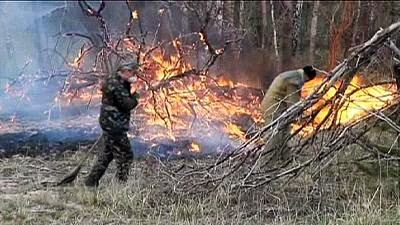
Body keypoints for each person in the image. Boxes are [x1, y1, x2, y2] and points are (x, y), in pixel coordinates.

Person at [84, 62, 141, 187]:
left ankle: (90, 182)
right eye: (132, 72)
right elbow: (127, 104)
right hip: (115, 125)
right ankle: (120, 185)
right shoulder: (117, 85)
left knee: (107, 155)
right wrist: (136, 96)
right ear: (125, 71)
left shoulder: (115, 81)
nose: (134, 75)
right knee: (126, 155)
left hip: (110, 123)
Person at [259, 65, 317, 161]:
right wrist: (303, 117)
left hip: (273, 105)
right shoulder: (295, 81)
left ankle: (284, 158)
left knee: (284, 131)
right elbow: (293, 105)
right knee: (275, 135)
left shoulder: (292, 75)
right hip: (273, 107)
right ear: (307, 77)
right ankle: (267, 160)